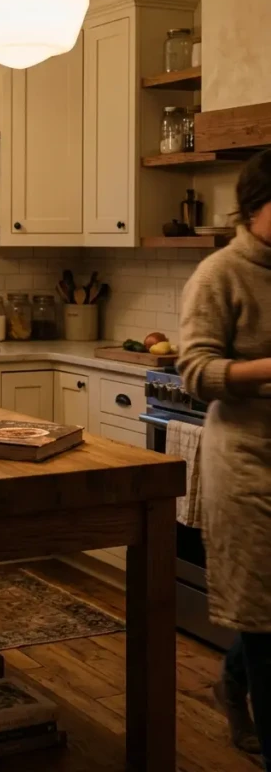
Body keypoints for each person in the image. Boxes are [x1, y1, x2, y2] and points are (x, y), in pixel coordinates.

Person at [178, 148, 271, 768]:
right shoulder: (219, 273)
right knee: (262, 614)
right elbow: (194, 371)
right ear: (257, 206)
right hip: (247, 462)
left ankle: (231, 683)